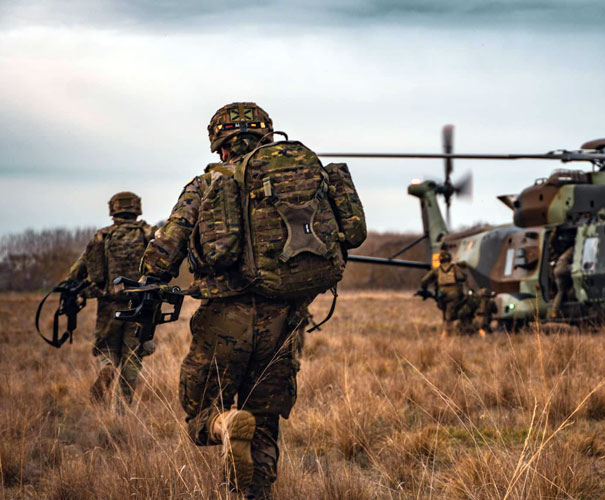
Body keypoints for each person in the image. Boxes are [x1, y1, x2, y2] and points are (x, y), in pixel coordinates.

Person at [139, 102, 365, 499]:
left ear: (222, 146)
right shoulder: (305, 180)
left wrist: (148, 279)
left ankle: (225, 425)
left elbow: (166, 249)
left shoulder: (207, 184)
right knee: (264, 422)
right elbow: (349, 233)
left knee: (201, 414)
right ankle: (254, 493)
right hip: (287, 319)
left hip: (226, 320)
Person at [67, 192, 156, 405]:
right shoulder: (147, 234)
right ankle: (123, 406)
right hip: (140, 307)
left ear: (113, 210)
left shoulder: (102, 237)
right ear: (137, 209)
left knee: (107, 349)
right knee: (133, 356)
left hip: (108, 306)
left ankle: (107, 366)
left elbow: (76, 271)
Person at [419, 248, 466, 336]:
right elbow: (461, 278)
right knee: (451, 312)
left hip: (442, 295)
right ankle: (447, 333)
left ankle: (446, 331)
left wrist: (424, 289)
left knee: (445, 312)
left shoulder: (437, 269)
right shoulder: (454, 267)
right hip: (454, 294)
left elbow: (424, 280)